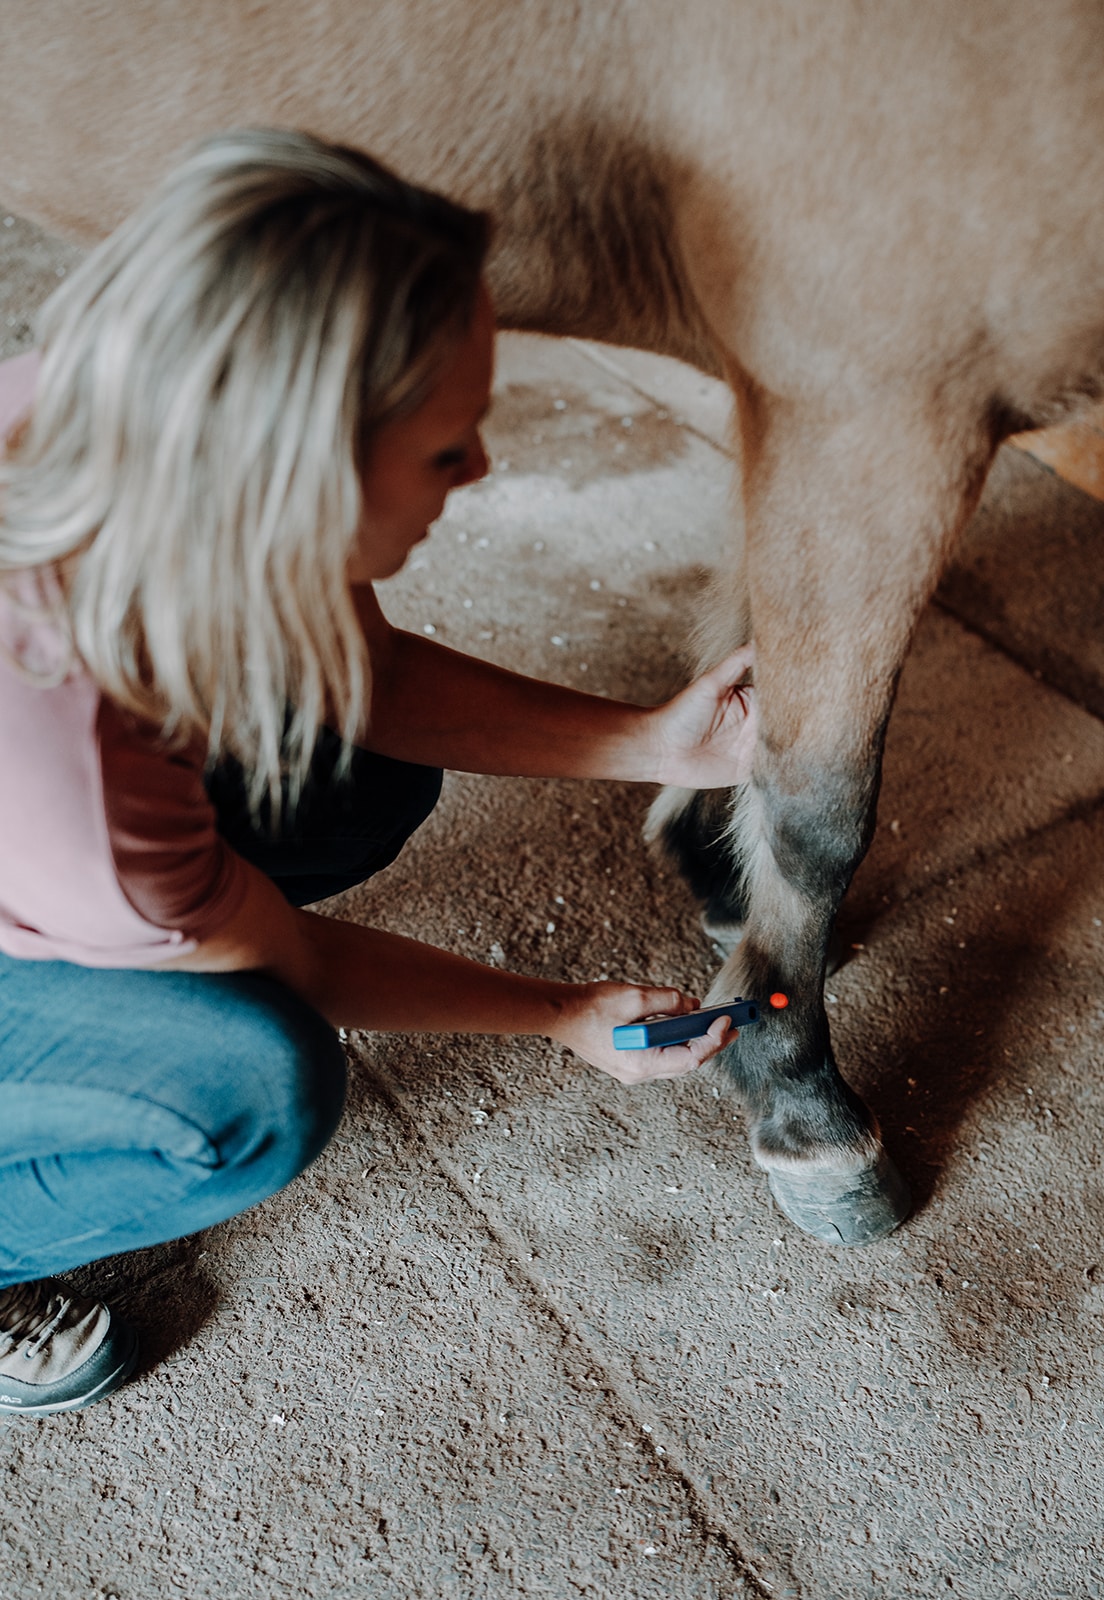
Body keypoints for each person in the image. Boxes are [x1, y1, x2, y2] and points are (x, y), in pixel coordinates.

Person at [0, 130, 757, 1417]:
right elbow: (292, 960)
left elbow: (370, 682)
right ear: (290, 478)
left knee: (350, 762)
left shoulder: (138, 409)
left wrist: (654, 742)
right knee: (253, 1082)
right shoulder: (79, 765)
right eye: (447, 447)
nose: (483, 470)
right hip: (56, 838)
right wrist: (562, 1013)